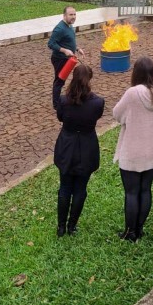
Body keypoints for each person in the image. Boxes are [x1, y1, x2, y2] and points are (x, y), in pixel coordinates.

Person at [113, 56, 153, 242]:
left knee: (132, 192)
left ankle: (130, 232)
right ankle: (139, 228)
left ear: (136, 73)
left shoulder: (133, 93)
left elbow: (117, 114)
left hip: (134, 150)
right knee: (146, 190)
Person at [54, 65, 105, 236]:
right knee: (80, 189)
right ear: (89, 79)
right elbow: (96, 117)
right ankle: (71, 226)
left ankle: (61, 227)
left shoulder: (63, 100)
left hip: (67, 146)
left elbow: (60, 117)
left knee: (65, 187)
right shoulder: (98, 103)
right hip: (87, 146)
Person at [48, 6, 85, 110]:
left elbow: (68, 41)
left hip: (68, 59)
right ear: (64, 16)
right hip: (59, 59)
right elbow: (50, 44)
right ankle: (56, 105)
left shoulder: (70, 25)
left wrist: (77, 48)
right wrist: (64, 50)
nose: (73, 17)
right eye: (71, 15)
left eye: (74, 14)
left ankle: (75, 97)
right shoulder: (59, 29)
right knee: (59, 81)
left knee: (70, 79)